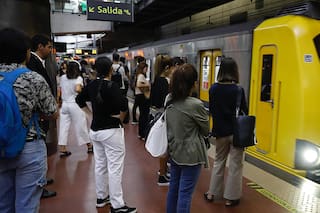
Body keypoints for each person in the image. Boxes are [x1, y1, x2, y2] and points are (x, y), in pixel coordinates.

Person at [0, 28, 58, 213]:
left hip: (1, 146)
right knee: (27, 206)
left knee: (3, 205)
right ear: (25, 52)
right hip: (29, 147)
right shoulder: (32, 78)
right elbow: (52, 112)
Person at [75, 56, 137, 213]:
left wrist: (91, 115)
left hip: (95, 131)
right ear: (111, 69)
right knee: (115, 168)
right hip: (111, 131)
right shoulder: (112, 86)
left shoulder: (91, 85)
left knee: (100, 165)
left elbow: (79, 99)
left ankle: (101, 198)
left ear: (95, 69)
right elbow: (124, 106)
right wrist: (121, 118)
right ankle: (117, 205)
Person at [204, 57, 248, 207]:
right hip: (236, 133)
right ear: (235, 72)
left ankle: (212, 193)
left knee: (218, 162)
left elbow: (212, 110)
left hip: (220, 133)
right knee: (235, 164)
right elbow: (245, 112)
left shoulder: (213, 89)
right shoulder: (238, 90)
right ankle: (231, 197)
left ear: (220, 70)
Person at [165, 64, 209, 213]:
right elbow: (205, 130)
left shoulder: (169, 99)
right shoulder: (196, 105)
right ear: (193, 83)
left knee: (174, 188)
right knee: (185, 193)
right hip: (192, 155)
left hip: (174, 150)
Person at [26, 33, 57, 199]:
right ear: (40, 46)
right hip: (38, 117)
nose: (51, 50)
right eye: (49, 46)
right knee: (37, 153)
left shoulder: (38, 62)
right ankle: (39, 186)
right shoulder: (33, 63)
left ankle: (41, 180)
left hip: (40, 116)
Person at [57, 61, 93, 157]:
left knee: (63, 127)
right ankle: (89, 146)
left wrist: (58, 102)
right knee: (81, 126)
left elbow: (59, 91)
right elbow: (77, 89)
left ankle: (62, 148)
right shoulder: (78, 78)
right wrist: (81, 90)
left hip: (64, 105)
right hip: (75, 104)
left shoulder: (63, 78)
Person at [150, 55, 173, 186]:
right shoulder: (165, 82)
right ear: (167, 67)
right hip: (166, 116)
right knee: (165, 146)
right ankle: (163, 175)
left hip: (158, 113)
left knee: (163, 144)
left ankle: (163, 171)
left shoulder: (156, 80)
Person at [134, 61, 151, 140]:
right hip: (142, 97)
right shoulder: (141, 75)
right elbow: (138, 84)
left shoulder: (139, 75)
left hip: (139, 96)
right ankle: (143, 133)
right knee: (144, 115)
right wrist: (148, 84)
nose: (147, 70)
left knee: (142, 115)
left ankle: (141, 133)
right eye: (146, 68)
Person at [131, 56, 146, 124]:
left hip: (136, 90)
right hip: (138, 91)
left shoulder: (136, 69)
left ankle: (136, 119)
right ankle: (134, 119)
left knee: (137, 105)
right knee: (137, 105)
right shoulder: (139, 70)